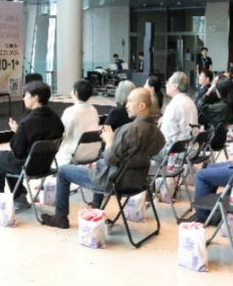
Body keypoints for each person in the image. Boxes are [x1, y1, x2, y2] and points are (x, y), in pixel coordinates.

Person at [41, 88, 165, 229]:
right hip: (138, 181)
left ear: (142, 106)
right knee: (99, 163)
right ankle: (96, 207)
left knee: (63, 171)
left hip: (113, 182)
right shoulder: (157, 132)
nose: (126, 105)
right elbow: (149, 155)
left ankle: (60, 217)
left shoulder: (128, 130)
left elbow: (110, 160)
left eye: (130, 101)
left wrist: (109, 141)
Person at [0, 81, 64, 212]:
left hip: (29, 167)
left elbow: (17, 152)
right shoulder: (56, 119)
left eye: (26, 95)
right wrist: (20, 132)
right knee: (7, 160)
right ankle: (19, 197)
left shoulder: (27, 124)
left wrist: (17, 132)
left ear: (35, 98)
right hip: (45, 165)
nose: (23, 98)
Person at [56, 80, 99, 166]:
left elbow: (61, 132)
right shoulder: (94, 110)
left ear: (75, 93)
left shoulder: (70, 111)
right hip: (93, 153)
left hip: (73, 155)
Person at [158, 72, 198, 145]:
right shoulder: (190, 101)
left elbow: (166, 135)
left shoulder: (174, 106)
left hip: (173, 148)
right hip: (189, 146)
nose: (166, 85)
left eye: (168, 82)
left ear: (175, 86)